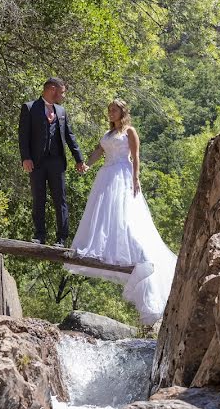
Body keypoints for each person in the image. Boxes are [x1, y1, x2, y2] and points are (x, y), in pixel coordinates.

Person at [63, 99, 176, 324]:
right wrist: (86, 164)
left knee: (125, 219)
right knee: (103, 217)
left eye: (113, 109)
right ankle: (103, 250)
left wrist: (136, 179)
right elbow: (98, 151)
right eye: (109, 110)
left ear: (122, 112)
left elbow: (136, 156)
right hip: (105, 176)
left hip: (122, 176)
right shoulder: (108, 133)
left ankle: (140, 259)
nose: (110, 112)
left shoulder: (129, 131)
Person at [18, 77, 86, 246]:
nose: (63, 96)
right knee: (38, 198)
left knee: (60, 199)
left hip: (57, 162)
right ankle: (39, 235)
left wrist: (79, 159)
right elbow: (23, 136)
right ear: (52, 89)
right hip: (36, 162)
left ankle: (61, 238)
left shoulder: (61, 111)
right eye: (62, 92)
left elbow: (70, 136)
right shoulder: (29, 108)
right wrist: (25, 158)